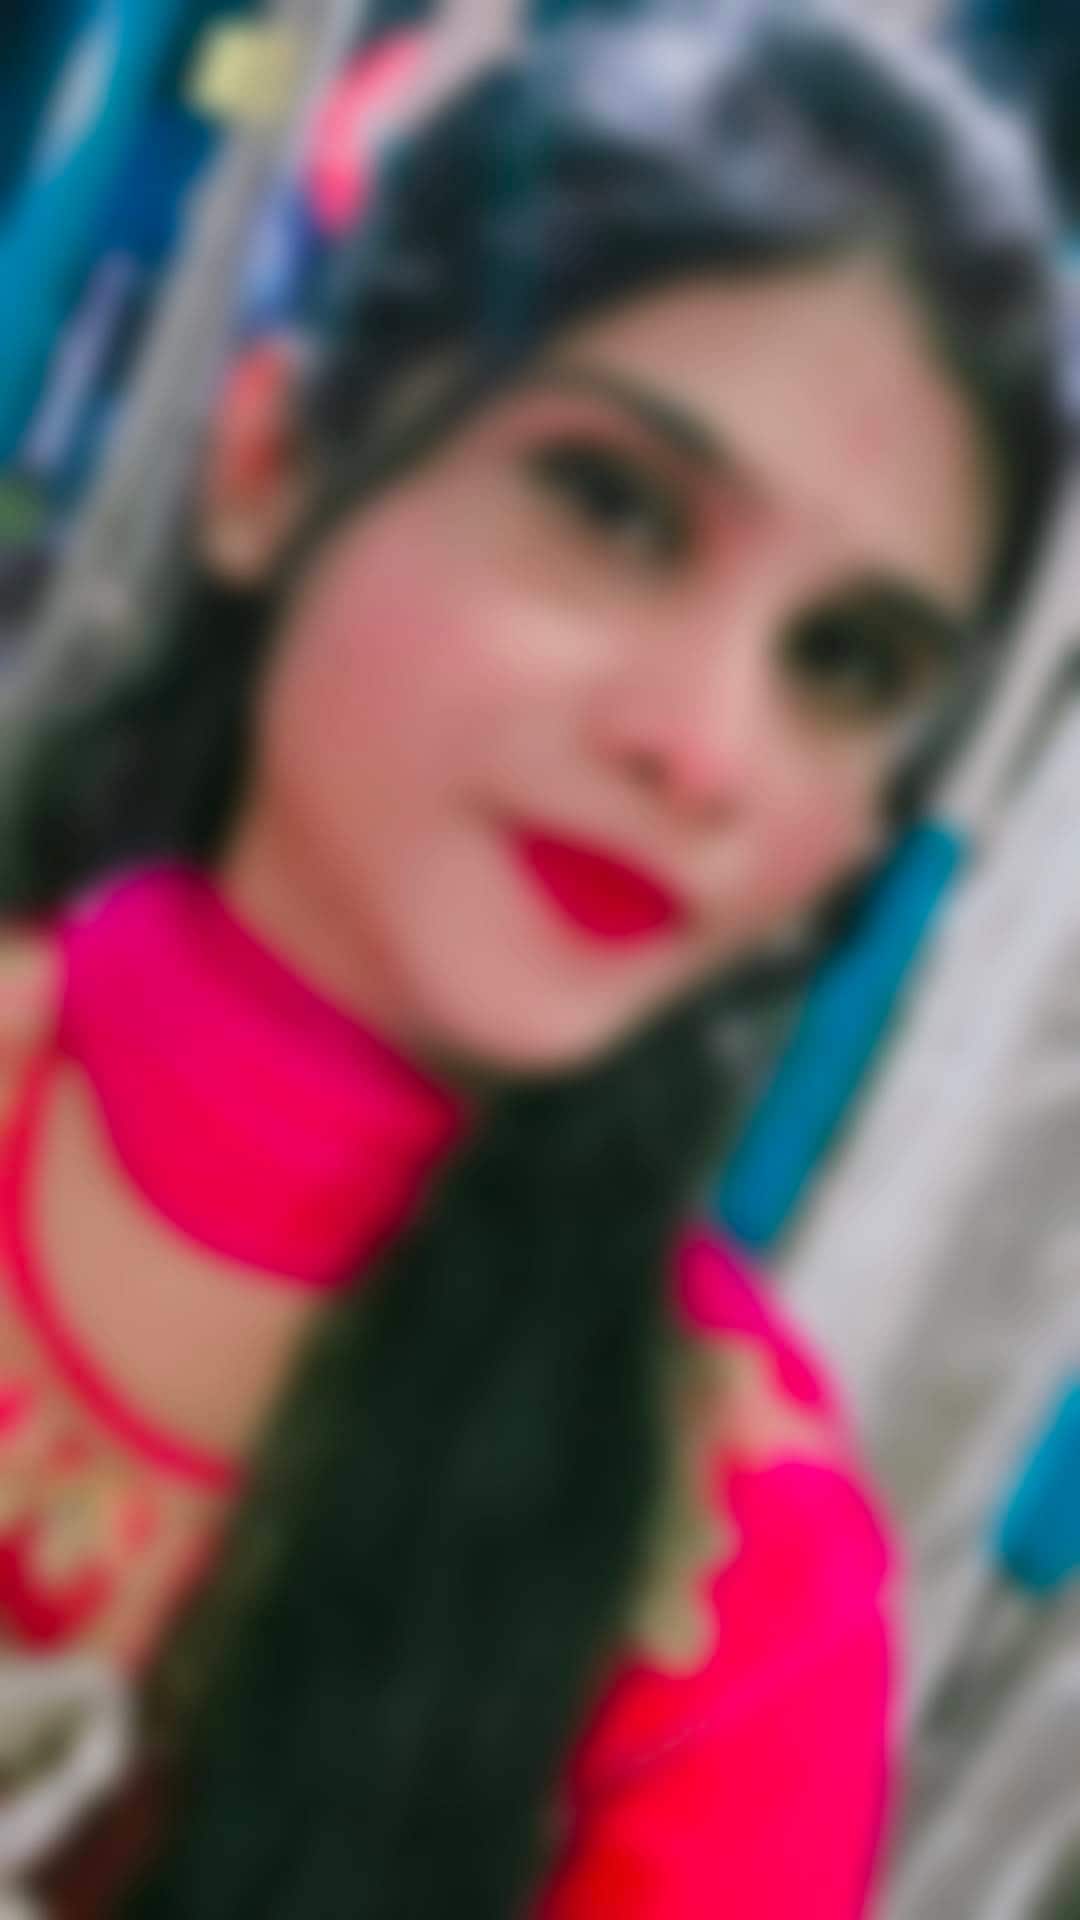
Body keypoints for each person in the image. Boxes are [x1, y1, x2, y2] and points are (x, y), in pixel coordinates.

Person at [0, 5, 1058, 1915]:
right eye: (614, 507)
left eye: (844, 663)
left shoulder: (736, 1580)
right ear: (270, 464)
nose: (707, 751)